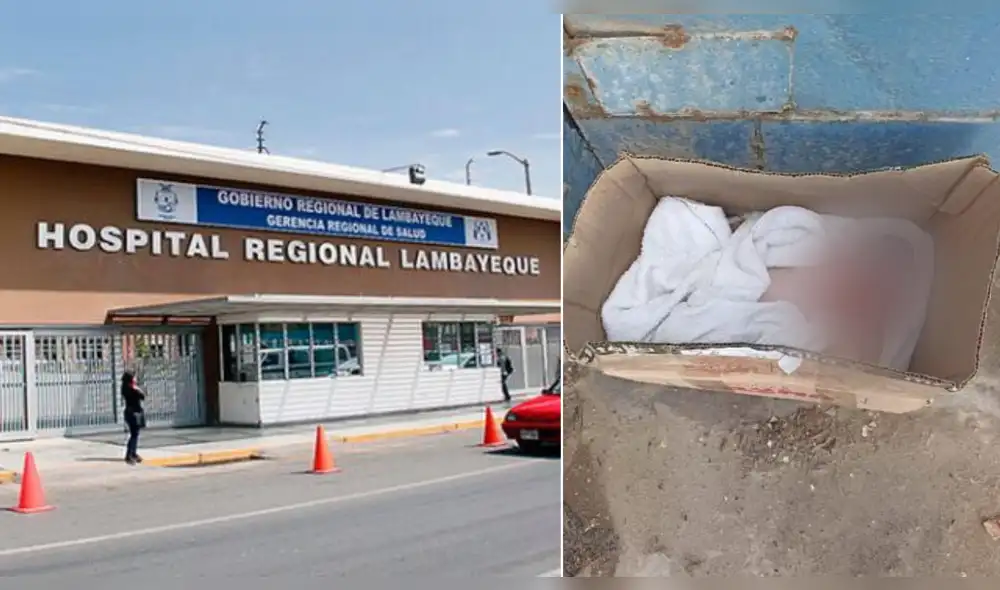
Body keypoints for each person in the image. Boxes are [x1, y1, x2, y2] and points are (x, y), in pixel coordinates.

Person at [121, 371, 146, 465]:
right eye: (134, 378)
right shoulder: (132, 388)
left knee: (134, 434)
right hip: (134, 413)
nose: (135, 379)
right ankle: (129, 455)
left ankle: (133, 453)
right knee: (134, 435)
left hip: (129, 413)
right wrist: (138, 388)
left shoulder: (124, 388)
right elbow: (142, 396)